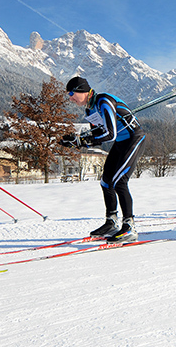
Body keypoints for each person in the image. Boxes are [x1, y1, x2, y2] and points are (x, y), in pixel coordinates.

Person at [61, 76, 145, 242]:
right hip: (121, 142)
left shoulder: (103, 101)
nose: (70, 98)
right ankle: (111, 222)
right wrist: (77, 139)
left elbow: (110, 133)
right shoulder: (89, 110)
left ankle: (129, 226)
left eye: (71, 93)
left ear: (82, 90)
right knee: (106, 181)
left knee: (120, 181)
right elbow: (98, 133)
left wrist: (83, 141)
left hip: (134, 138)